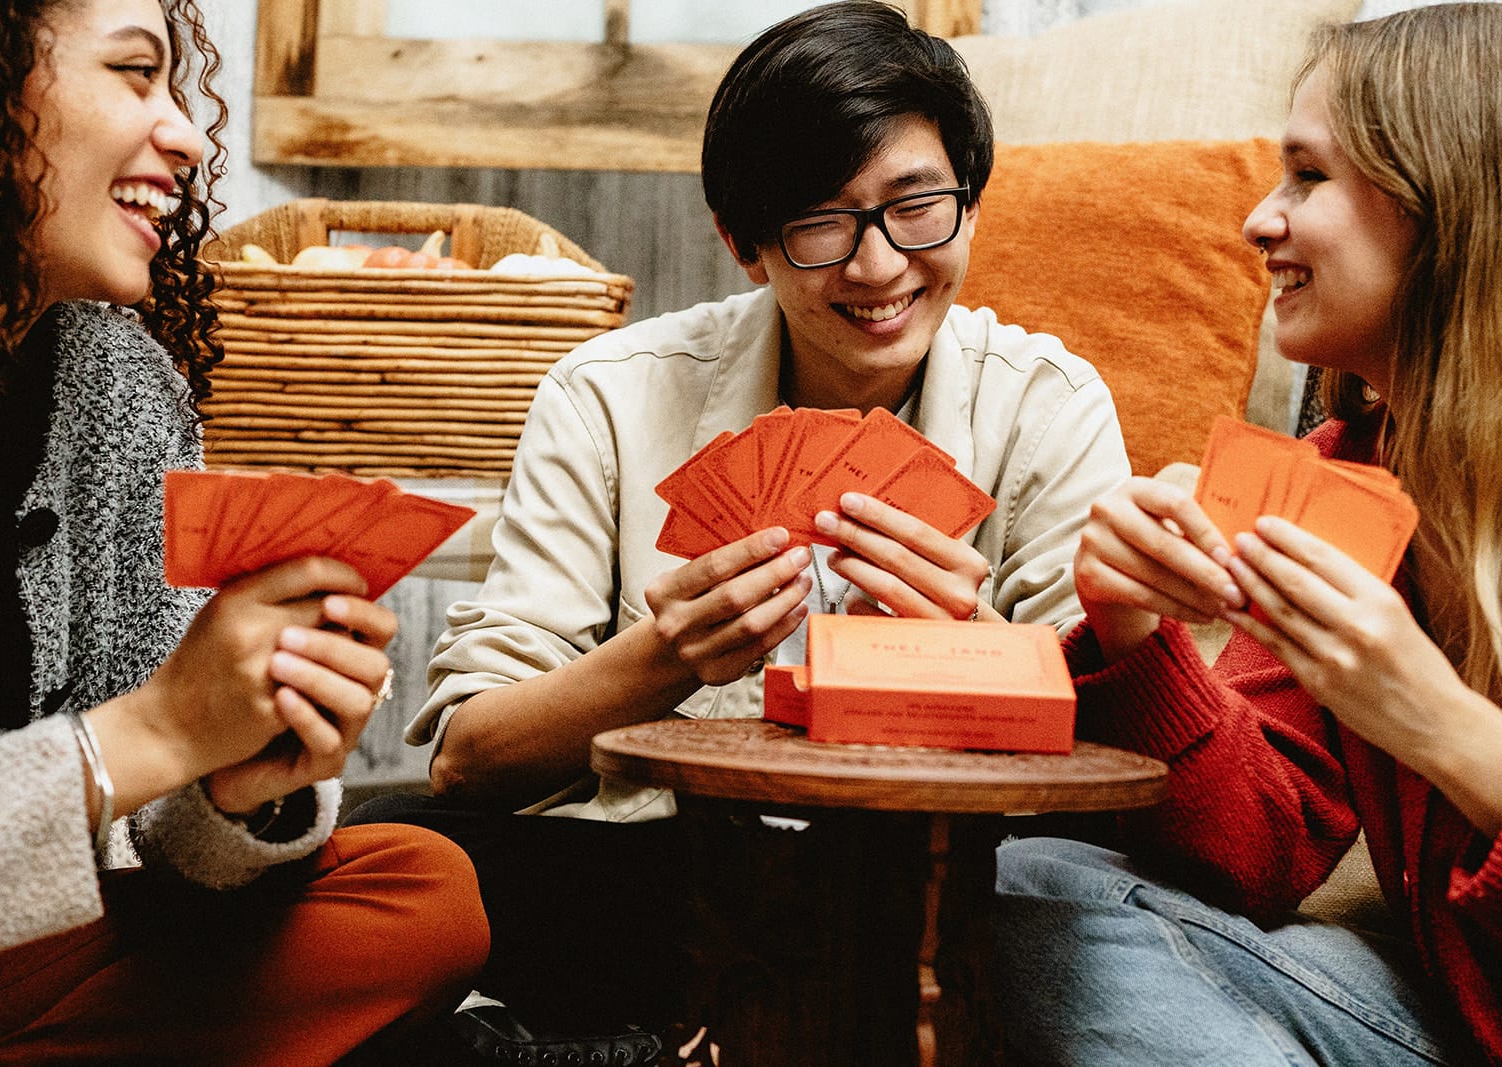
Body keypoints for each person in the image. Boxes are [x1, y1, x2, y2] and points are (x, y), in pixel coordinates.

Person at [346, 0, 1130, 1037]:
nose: (880, 265)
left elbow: (1117, 771)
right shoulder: (610, 395)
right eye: (819, 222)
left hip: (930, 876)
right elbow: (471, 756)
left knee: (1036, 905)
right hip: (665, 872)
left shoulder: (1046, 405)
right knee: (387, 837)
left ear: (971, 206)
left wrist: (973, 660)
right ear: (740, 241)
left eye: (917, 207)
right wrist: (664, 655)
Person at [0, 1, 487, 1063]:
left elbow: (153, 853)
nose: (189, 135)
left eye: (180, 88)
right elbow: (135, 736)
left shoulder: (117, 386)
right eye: (136, 74)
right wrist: (160, 728)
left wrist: (234, 782)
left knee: (423, 889)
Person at [987, 4, 1502, 1064]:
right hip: (1447, 1022)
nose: (1258, 223)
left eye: (1306, 178)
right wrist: (1132, 629)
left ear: (1436, 202)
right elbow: (1254, 852)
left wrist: (1444, 727)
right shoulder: (1345, 482)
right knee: (1033, 881)